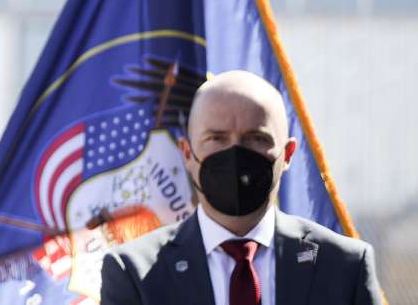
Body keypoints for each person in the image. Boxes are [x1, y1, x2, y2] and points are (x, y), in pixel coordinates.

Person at [100, 70, 382, 305]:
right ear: (187, 153)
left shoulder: (344, 266)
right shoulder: (134, 272)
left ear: (288, 154)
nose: (235, 154)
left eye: (255, 138)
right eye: (217, 138)